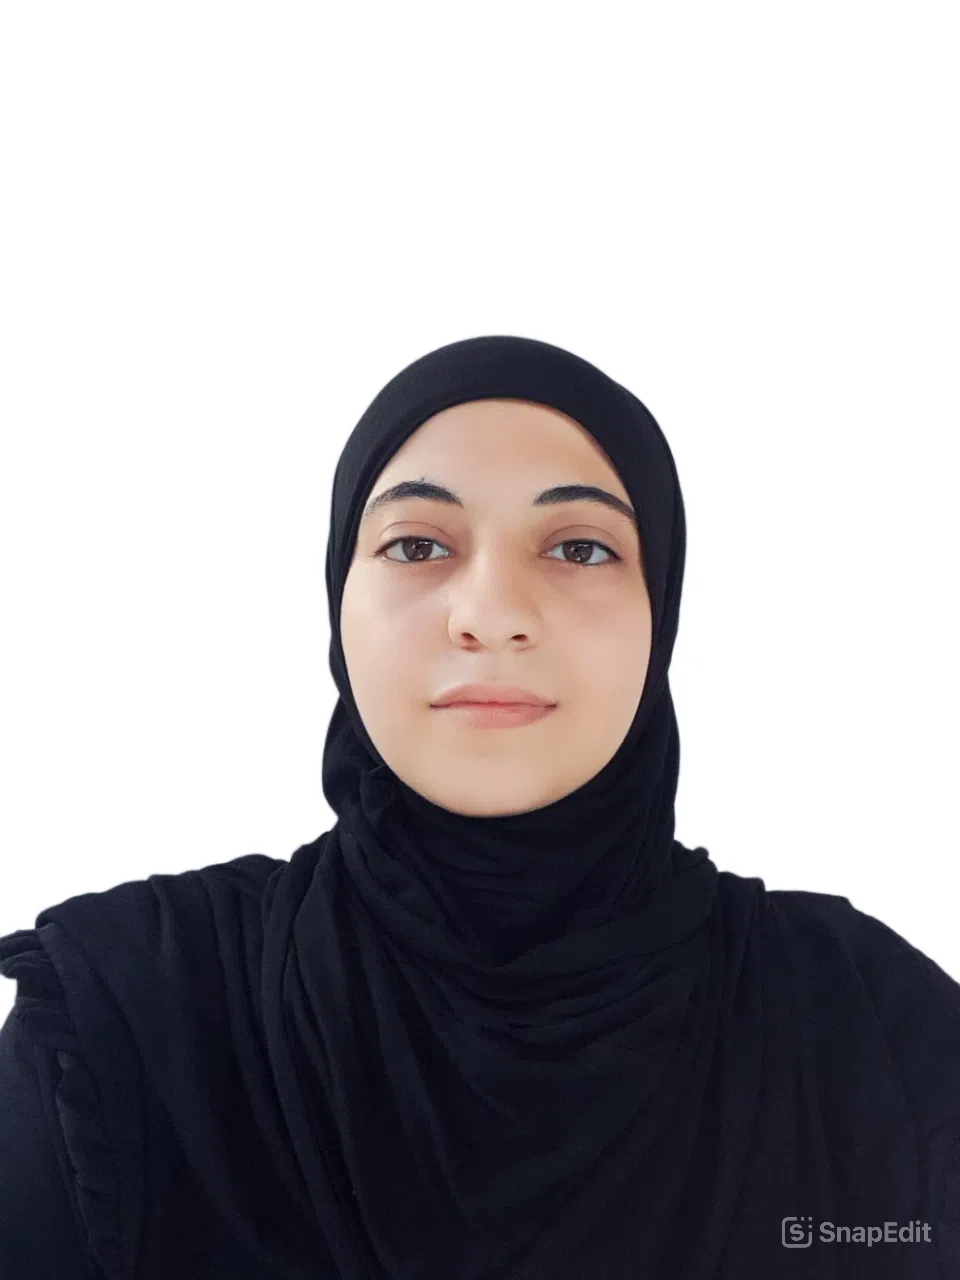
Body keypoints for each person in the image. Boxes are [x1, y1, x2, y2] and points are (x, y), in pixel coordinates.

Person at [1, 334, 959, 1278]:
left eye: (580, 548)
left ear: (661, 613)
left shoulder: (867, 1031)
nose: (491, 613)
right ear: (337, 605)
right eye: (417, 545)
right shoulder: (129, 1023)